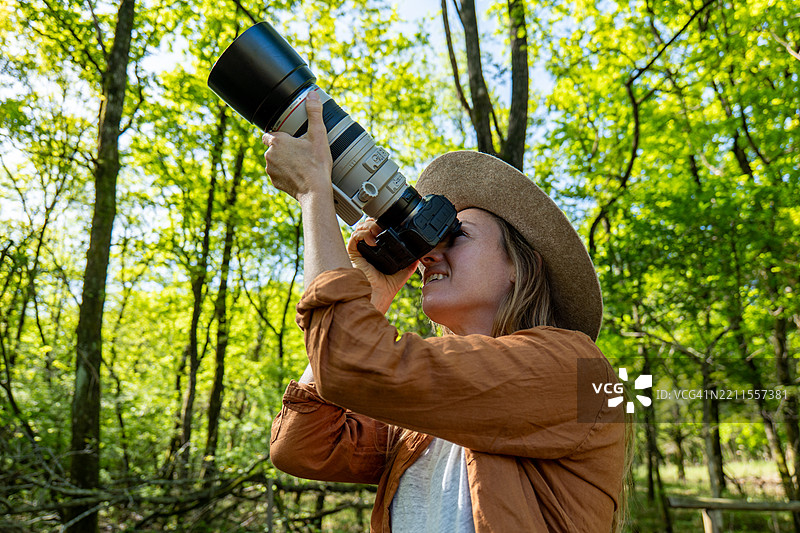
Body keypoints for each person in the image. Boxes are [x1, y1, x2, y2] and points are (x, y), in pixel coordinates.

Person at [262, 90, 626, 532]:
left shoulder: (579, 372)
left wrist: (314, 193)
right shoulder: (427, 420)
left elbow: (351, 364)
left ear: (519, 266)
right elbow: (302, 445)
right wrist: (373, 293)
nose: (428, 255)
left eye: (456, 236)